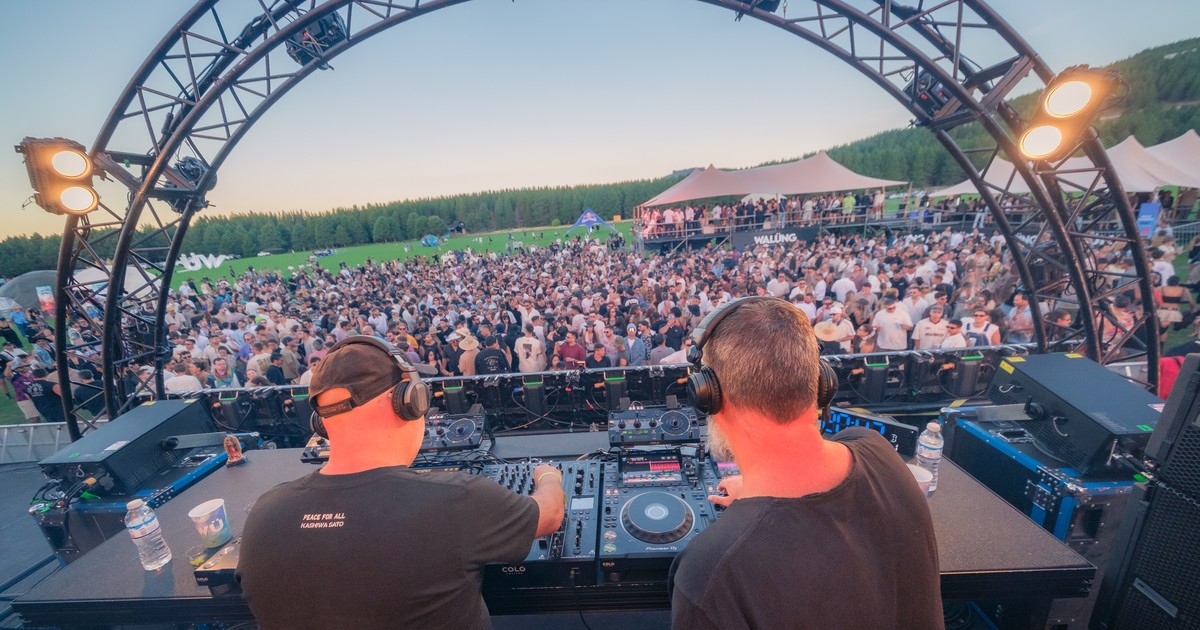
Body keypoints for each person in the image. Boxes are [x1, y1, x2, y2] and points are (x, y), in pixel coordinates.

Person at [238, 337, 564, 628]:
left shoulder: (264, 515)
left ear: (320, 423)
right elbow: (549, 514)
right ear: (408, 401)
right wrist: (548, 475)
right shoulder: (457, 500)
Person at [669, 298, 940, 628]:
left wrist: (756, 505)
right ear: (822, 384)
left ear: (708, 394)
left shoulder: (711, 572)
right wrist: (756, 491)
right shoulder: (876, 449)